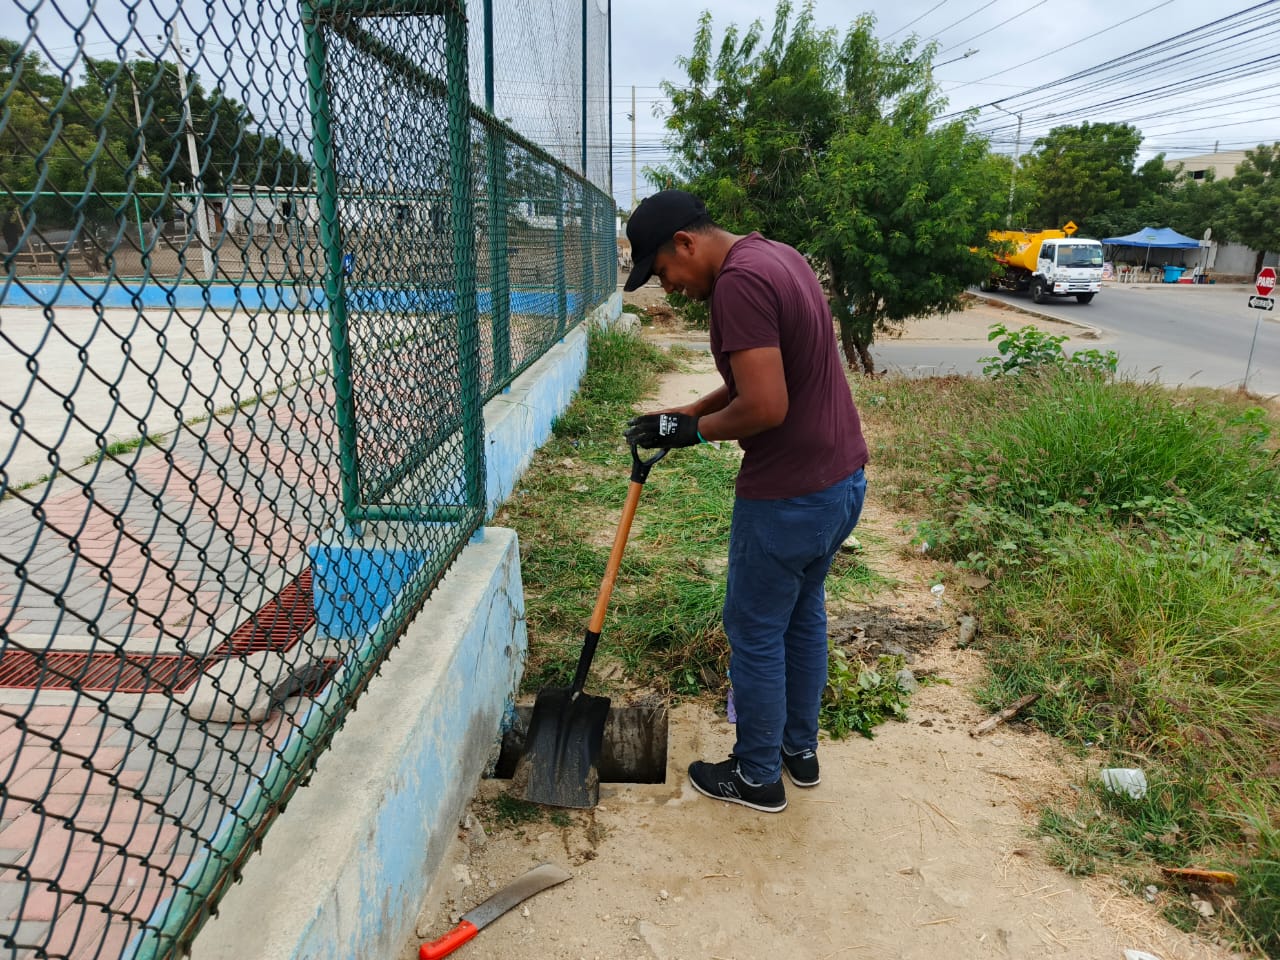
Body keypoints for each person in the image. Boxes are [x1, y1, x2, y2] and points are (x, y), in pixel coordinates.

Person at [622, 190, 868, 814]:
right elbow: (760, 378)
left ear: (686, 243)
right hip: (840, 483)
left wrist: (695, 434)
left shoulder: (737, 285)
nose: (668, 288)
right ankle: (797, 751)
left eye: (663, 272)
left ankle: (757, 776)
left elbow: (764, 406)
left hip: (788, 496)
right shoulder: (778, 257)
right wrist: (686, 413)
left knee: (756, 631)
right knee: (802, 615)